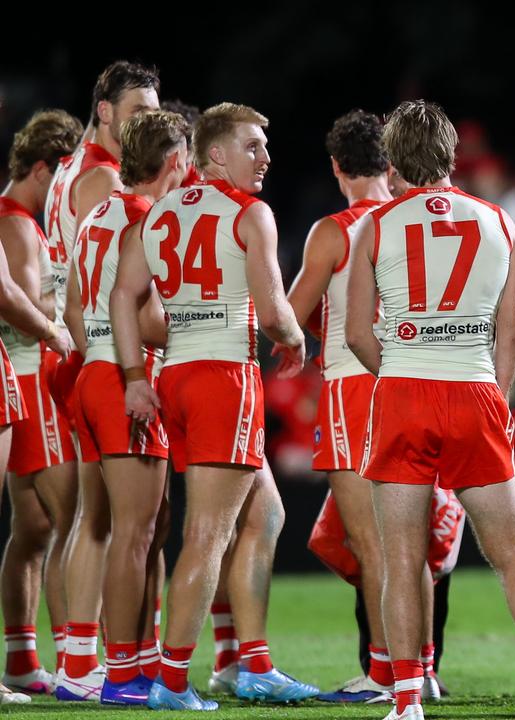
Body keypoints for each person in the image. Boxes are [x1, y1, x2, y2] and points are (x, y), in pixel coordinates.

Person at [346, 99, 515, 720]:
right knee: (512, 550)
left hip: (404, 392)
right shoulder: (497, 220)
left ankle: (406, 699)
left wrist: (403, 371)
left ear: (394, 159)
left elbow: (356, 334)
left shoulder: (374, 226)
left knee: (402, 557)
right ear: (453, 153)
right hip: (476, 390)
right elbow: (512, 330)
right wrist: (499, 393)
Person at [112, 102, 317, 710]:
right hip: (225, 376)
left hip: (176, 375)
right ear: (216, 154)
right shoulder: (251, 213)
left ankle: (253, 664)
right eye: (252, 146)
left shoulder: (159, 213)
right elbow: (275, 309)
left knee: (266, 515)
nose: (265, 158)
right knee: (206, 534)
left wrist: (132, 376)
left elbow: (123, 297)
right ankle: (172, 683)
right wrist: (295, 337)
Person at [60, 110, 189, 705]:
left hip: (92, 374)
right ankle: (119, 675)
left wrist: (98, 359)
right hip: (122, 380)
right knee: (134, 534)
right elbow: (145, 319)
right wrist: (201, 331)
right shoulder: (147, 219)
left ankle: (123, 661)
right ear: (175, 161)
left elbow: (73, 308)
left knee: (133, 526)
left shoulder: (96, 216)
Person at [284, 109, 396, 702]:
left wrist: (288, 341)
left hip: (354, 385)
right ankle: (419, 666)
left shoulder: (333, 231)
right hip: (415, 383)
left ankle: (385, 674)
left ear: (336, 166)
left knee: (372, 544)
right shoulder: (413, 220)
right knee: (407, 543)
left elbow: (289, 315)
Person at [0, 109, 81, 696]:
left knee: (32, 528)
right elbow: (28, 300)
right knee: (73, 519)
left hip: (22, 379)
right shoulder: (17, 223)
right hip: (31, 377)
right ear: (43, 168)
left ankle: (24, 659)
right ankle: (80, 662)